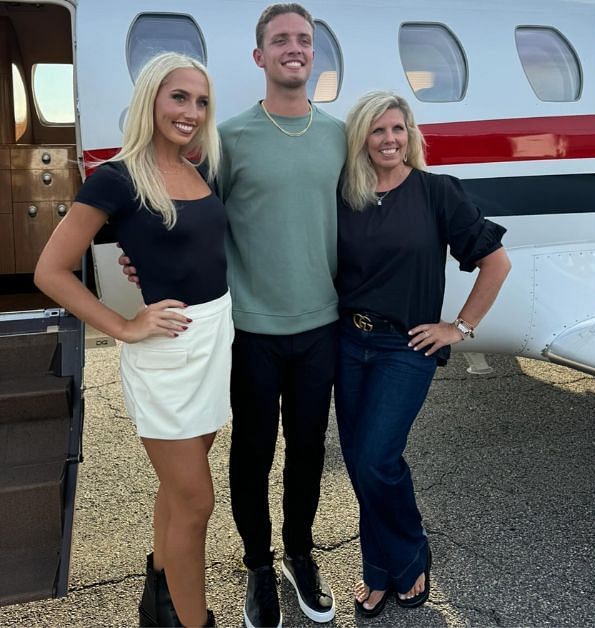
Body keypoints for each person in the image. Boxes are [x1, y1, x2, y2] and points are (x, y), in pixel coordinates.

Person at [122, 4, 344, 626]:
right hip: (249, 330)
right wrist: (147, 270)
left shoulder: (337, 135)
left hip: (320, 324)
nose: (293, 48)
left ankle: (300, 554)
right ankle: (257, 565)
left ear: (313, 52)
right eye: (280, 40)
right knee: (252, 453)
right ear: (260, 57)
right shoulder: (229, 139)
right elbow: (187, 222)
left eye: (304, 39)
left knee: (307, 450)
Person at [35, 52, 226, 627]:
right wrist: (122, 326)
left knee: (178, 487)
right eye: (179, 97)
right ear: (151, 99)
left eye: (201, 101)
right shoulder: (115, 178)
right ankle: (195, 621)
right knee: (196, 501)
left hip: (215, 343)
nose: (191, 111)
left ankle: (161, 602)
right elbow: (51, 270)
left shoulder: (201, 171)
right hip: (164, 353)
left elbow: (194, 249)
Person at [334, 91, 510, 617]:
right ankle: (378, 571)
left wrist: (459, 326)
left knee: (377, 458)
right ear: (360, 139)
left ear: (411, 135)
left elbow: (495, 263)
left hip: (403, 346)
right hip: (346, 341)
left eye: (398, 129)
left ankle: (411, 557)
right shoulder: (345, 195)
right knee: (359, 464)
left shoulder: (436, 193)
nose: (390, 139)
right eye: (378, 130)